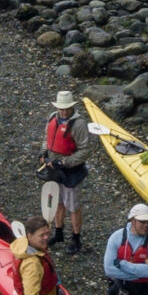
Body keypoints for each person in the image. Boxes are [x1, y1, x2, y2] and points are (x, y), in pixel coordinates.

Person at [39, 88, 87, 249]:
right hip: (54, 170)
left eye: (66, 108)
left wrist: (65, 162)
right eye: (61, 108)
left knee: (73, 206)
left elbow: (85, 151)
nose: (64, 111)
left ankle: (76, 238)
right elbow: (47, 138)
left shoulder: (79, 124)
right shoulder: (53, 117)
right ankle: (59, 233)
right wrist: (44, 153)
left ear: (72, 107)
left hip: (71, 171)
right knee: (58, 203)